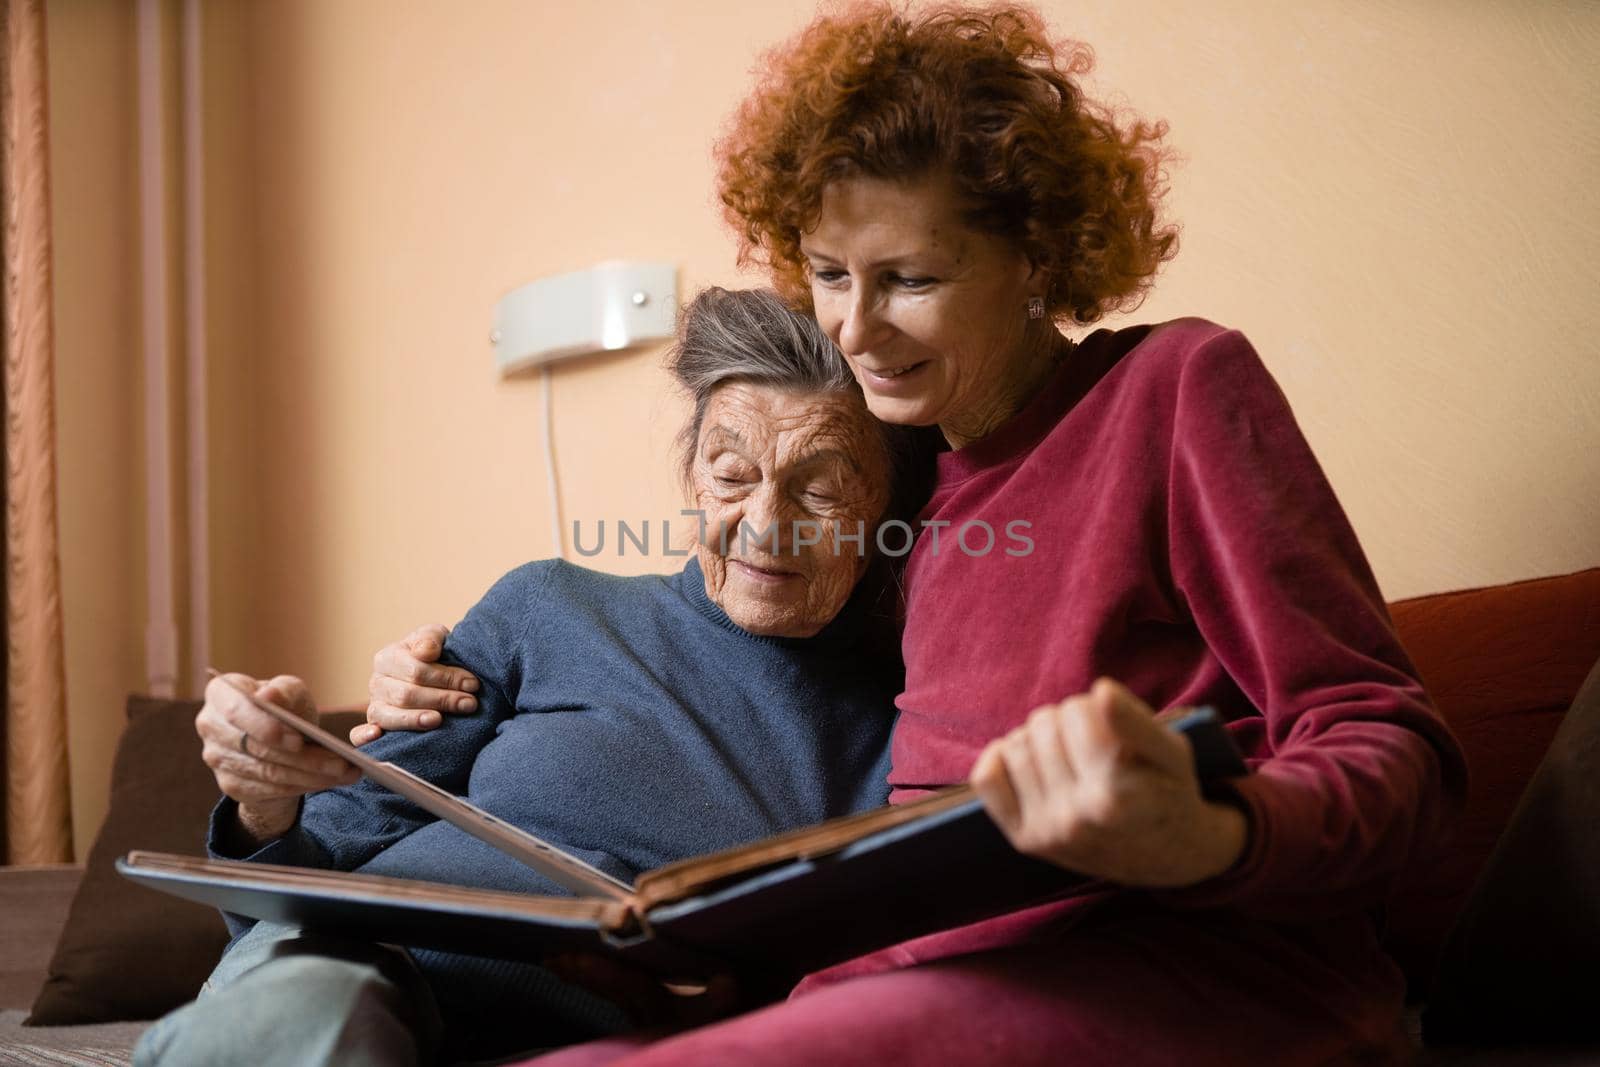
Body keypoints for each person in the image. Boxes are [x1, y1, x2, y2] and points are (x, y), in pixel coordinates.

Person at [374, 6, 1467, 1065]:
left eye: (910, 278)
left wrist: (1210, 831)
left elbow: (1390, 743)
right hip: (931, 984)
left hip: (1209, 976)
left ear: (1037, 254)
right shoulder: (909, 506)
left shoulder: (1172, 390)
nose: (853, 327)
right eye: (832, 275)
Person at [132, 288, 929, 1067]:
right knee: (317, 1019)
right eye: (731, 474)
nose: (763, 524)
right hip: (353, 975)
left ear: (892, 510)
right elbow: (311, 871)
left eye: (819, 490)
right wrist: (265, 806)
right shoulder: (547, 606)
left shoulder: (906, 733)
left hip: (591, 1035)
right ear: (691, 476)